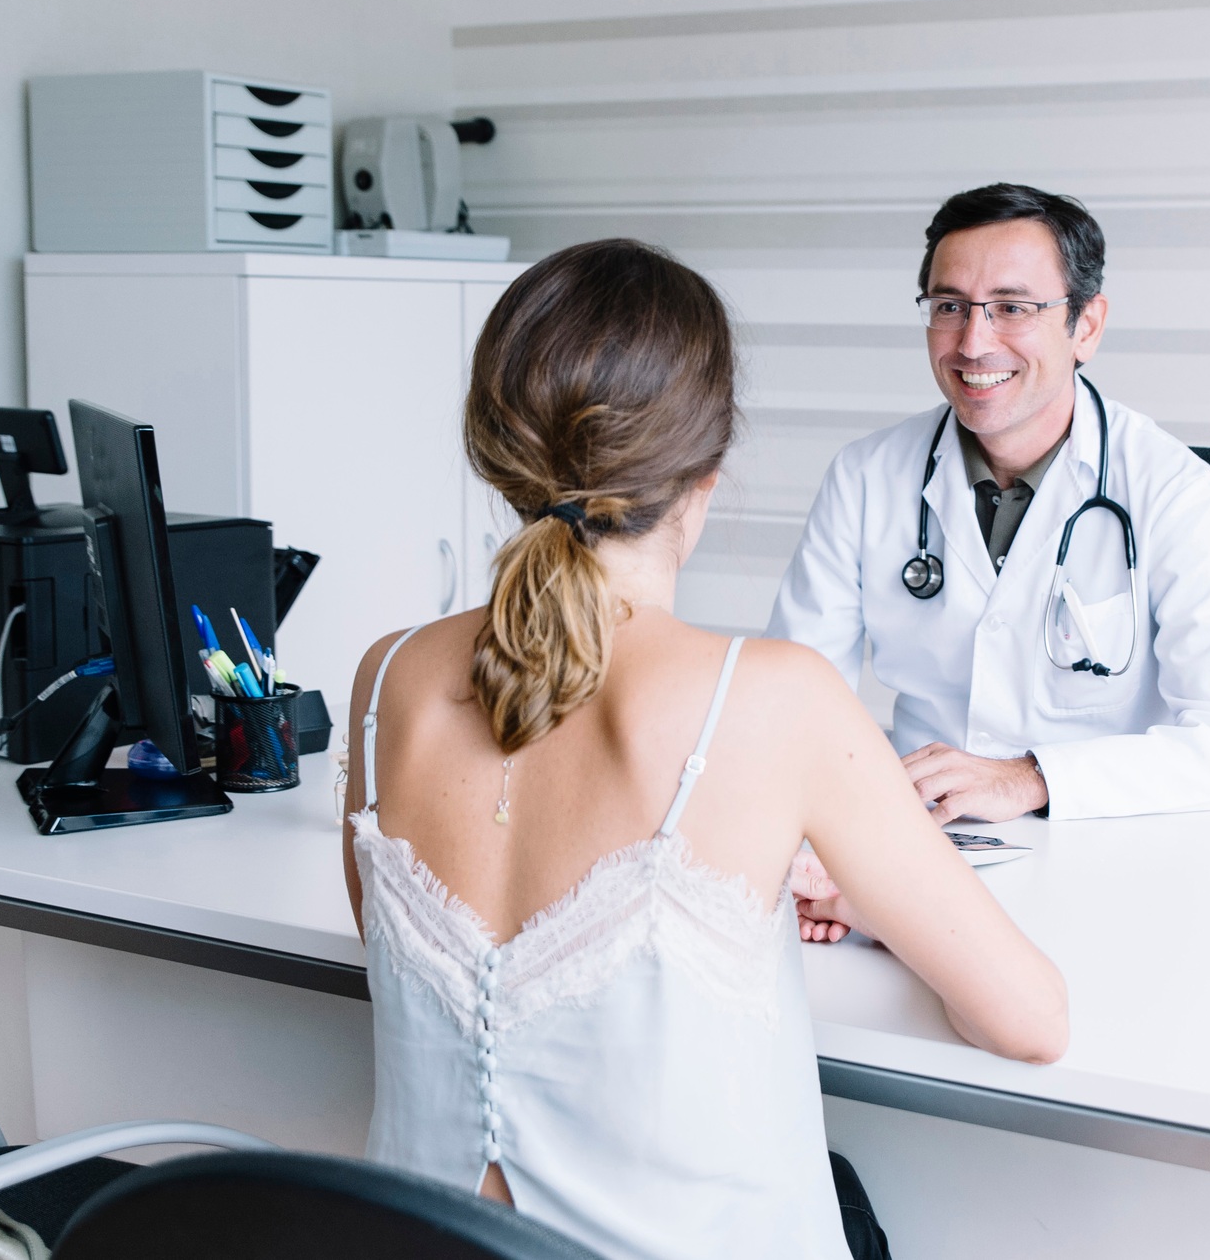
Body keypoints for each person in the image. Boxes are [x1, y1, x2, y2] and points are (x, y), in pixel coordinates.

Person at [342, 239, 1067, 1260]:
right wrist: (873, 896)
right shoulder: (773, 699)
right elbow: (1029, 1018)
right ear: (706, 469)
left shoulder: (385, 681)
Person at [767, 183, 1210, 833]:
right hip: (917, 844)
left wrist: (1031, 777)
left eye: (1012, 307)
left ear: (1086, 325)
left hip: (1104, 845)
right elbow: (791, 708)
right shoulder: (865, 478)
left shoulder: (1171, 489)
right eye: (950, 305)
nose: (973, 342)